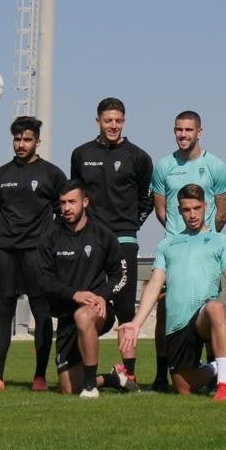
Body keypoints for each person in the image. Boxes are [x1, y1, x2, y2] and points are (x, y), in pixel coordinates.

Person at [118, 184, 226, 401]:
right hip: (177, 323)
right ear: (179, 211)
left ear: (206, 206)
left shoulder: (221, 241)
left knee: (217, 307)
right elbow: (155, 283)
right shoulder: (167, 244)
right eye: (186, 209)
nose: (192, 214)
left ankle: (224, 384)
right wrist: (136, 323)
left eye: (197, 208)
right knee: (183, 387)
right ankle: (222, 365)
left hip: (203, 316)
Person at [0, 116, 66, 393]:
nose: (21, 144)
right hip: (5, 251)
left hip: (37, 254)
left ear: (38, 141)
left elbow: (62, 211)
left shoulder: (52, 174)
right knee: (3, 312)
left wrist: (46, 240)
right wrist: (9, 233)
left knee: (42, 312)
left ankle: (39, 376)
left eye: (27, 139)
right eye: (17, 139)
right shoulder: (0, 174)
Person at [69, 98, 153, 386]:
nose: (113, 125)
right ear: (98, 122)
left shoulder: (138, 157)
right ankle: (83, 367)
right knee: (87, 302)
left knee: (126, 307)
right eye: (108, 121)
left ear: (124, 121)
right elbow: (76, 196)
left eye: (118, 121)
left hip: (124, 240)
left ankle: (129, 373)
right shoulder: (81, 154)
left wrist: (131, 224)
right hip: (90, 243)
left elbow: (146, 200)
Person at [148, 110, 226, 391]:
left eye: (188, 130)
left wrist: (204, 240)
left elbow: (222, 210)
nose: (183, 135)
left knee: (209, 308)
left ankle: (218, 373)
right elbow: (161, 210)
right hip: (175, 252)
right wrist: (179, 239)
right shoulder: (163, 166)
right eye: (179, 130)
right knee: (164, 310)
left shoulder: (215, 165)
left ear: (200, 132)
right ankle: (161, 374)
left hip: (204, 250)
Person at [37, 180, 128, 397]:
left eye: (72, 202)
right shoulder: (50, 237)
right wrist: (74, 294)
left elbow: (121, 274)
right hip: (66, 318)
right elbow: (43, 280)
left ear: (85, 202)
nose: (67, 208)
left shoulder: (102, 234)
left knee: (84, 315)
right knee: (68, 389)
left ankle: (90, 387)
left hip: (97, 311)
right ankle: (111, 378)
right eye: (63, 203)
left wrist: (102, 296)